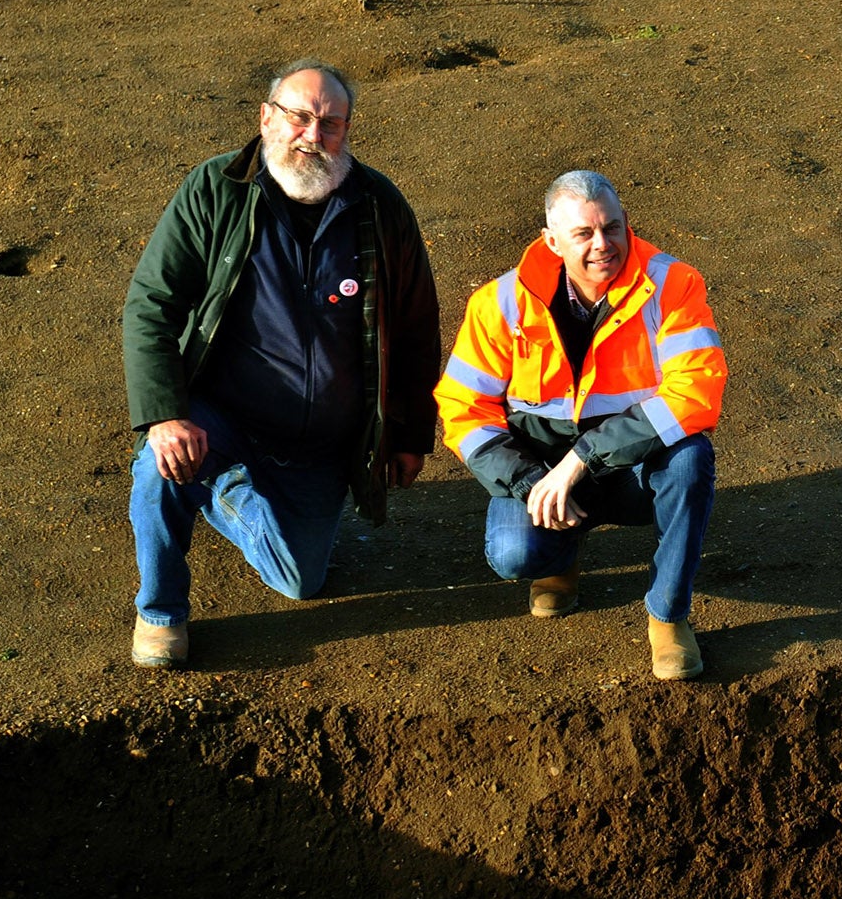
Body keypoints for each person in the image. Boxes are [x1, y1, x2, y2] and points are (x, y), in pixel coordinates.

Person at [122, 60, 441, 667]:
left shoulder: (379, 206)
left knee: (299, 579)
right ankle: (160, 612)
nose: (312, 137)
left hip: (324, 442)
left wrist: (406, 434)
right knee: (160, 465)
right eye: (299, 116)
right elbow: (152, 305)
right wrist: (164, 414)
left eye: (331, 124)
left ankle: (225, 483)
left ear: (347, 132)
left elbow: (418, 328)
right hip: (225, 411)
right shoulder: (216, 190)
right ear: (267, 118)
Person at [434, 170, 724, 679]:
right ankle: (559, 556)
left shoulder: (674, 284)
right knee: (513, 555)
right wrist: (531, 485)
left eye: (612, 228)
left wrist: (580, 459)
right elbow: (462, 409)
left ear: (626, 222)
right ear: (551, 241)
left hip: (630, 465)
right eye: (583, 234)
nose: (603, 244)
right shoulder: (499, 302)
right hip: (543, 470)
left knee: (690, 459)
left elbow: (695, 391)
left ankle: (668, 615)